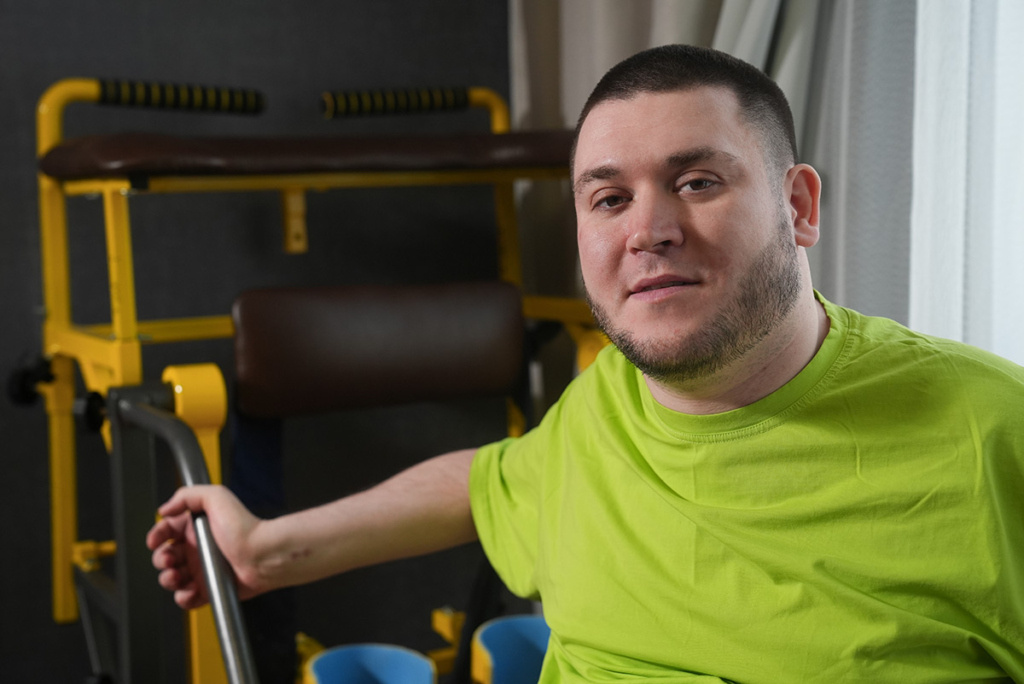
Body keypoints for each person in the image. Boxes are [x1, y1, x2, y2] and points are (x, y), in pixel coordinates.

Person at [148, 45, 1024, 682]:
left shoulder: (991, 431)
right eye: (609, 198)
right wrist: (265, 551)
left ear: (797, 205)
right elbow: (489, 483)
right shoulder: (600, 407)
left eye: (698, 182)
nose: (649, 230)